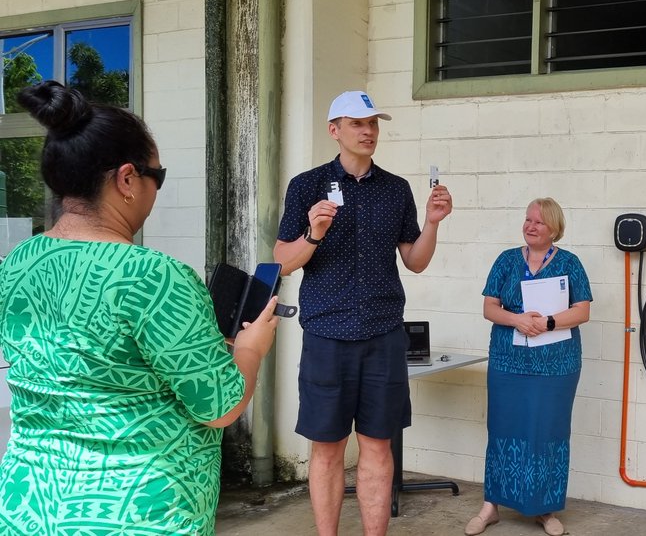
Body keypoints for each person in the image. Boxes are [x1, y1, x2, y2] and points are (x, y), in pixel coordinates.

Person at [0, 81, 279, 535]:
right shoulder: (153, 275)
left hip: (29, 505)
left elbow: (81, 365)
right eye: (157, 176)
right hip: (138, 511)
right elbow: (220, 407)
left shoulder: (16, 263)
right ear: (127, 179)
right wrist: (249, 349)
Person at [273, 90, 453, 536]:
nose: (368, 131)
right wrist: (313, 234)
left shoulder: (396, 190)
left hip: (383, 335)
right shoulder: (306, 186)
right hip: (327, 336)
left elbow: (415, 260)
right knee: (328, 450)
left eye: (373, 123)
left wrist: (432, 223)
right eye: (357, 123)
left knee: (377, 448)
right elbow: (282, 259)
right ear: (334, 130)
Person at [467, 197, 592, 536]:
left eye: (538, 222)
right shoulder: (507, 260)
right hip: (509, 361)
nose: (530, 226)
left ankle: (545, 510)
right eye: (527, 220)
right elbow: (489, 307)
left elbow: (582, 311)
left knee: (547, 434)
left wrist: (548, 323)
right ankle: (491, 506)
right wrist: (517, 320)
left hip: (556, 365)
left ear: (554, 228)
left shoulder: (570, 263)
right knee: (503, 430)